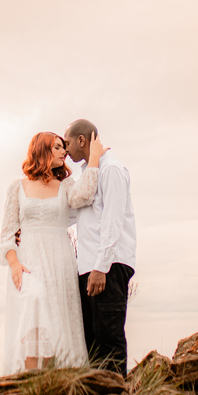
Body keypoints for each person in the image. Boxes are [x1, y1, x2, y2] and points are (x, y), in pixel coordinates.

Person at [0, 130, 106, 374]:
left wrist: (95, 159)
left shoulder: (66, 185)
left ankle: (55, 380)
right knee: (33, 305)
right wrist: (14, 264)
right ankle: (28, 380)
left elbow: (85, 195)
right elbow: (7, 234)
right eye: (57, 147)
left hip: (60, 259)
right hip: (28, 260)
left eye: (63, 147)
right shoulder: (17, 188)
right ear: (43, 150)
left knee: (57, 316)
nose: (64, 151)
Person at [64, 118, 136, 377]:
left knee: (109, 339)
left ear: (81, 140)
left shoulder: (112, 169)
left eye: (67, 142)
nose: (65, 148)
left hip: (109, 267)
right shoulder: (89, 171)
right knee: (92, 343)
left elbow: (113, 221)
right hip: (90, 267)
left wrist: (101, 267)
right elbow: (78, 216)